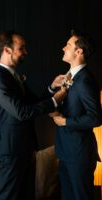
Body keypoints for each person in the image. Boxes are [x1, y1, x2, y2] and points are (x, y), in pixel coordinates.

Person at [0, 31, 67, 200]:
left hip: (26, 147)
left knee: (26, 195)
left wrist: (52, 88)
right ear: (7, 50)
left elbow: (33, 102)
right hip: (12, 149)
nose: (25, 52)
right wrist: (54, 100)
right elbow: (22, 112)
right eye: (21, 48)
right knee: (9, 196)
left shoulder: (13, 76)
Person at [51, 30, 102, 200]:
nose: (63, 48)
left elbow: (96, 117)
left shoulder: (85, 80)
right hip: (65, 152)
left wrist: (66, 121)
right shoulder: (69, 77)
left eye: (68, 45)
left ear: (79, 51)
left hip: (79, 155)